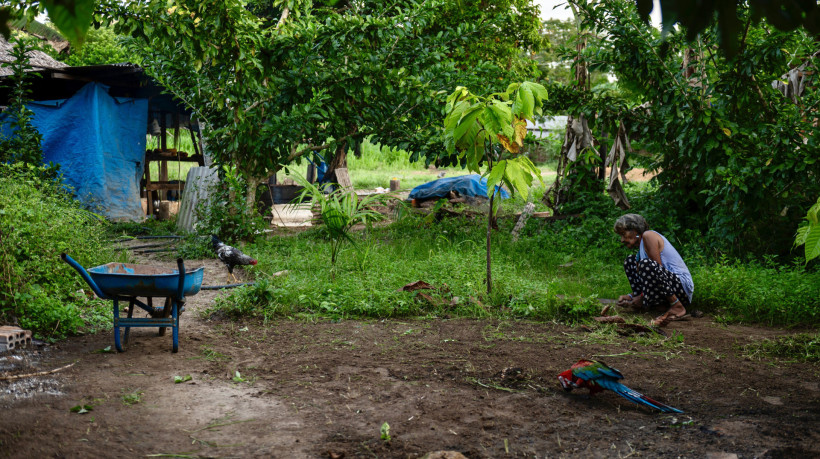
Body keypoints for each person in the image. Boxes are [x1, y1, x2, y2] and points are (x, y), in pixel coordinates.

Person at [614, 214, 694, 326]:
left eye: (623, 234)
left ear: (635, 230)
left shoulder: (648, 235)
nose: (622, 240)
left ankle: (677, 306)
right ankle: (652, 305)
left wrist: (642, 297)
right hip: (668, 286)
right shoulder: (640, 251)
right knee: (630, 261)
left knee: (647, 264)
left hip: (681, 288)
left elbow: (657, 269)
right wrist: (632, 296)